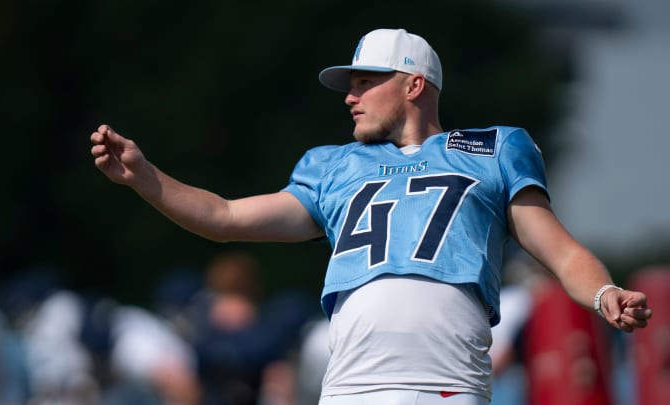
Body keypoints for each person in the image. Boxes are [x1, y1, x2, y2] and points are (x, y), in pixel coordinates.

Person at [90, 28, 652, 405]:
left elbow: (561, 251)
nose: (350, 97)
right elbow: (226, 216)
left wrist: (605, 295)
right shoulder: (333, 166)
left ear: (413, 84)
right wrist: (147, 178)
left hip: (447, 385)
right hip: (350, 389)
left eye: (365, 82)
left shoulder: (493, 149)